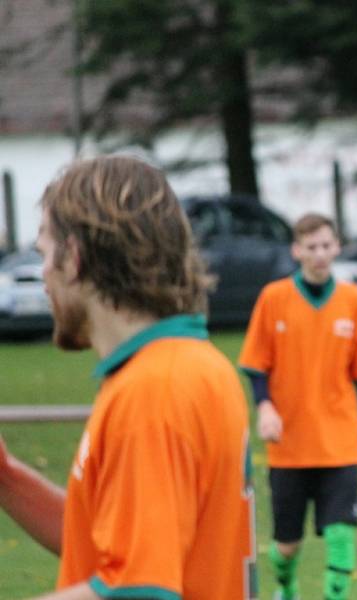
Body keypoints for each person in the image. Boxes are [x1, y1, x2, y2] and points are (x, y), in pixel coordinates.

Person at [0, 156, 256, 599]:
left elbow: (136, 590)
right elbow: (116, 547)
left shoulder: (154, 390)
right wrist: (5, 476)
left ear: (75, 258)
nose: (42, 277)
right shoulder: (185, 365)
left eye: (44, 255)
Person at [238, 213, 357, 600]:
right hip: (288, 446)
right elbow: (256, 366)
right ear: (297, 251)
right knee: (286, 545)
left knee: (341, 534)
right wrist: (265, 408)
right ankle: (286, 587)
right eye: (311, 247)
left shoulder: (354, 301)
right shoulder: (274, 299)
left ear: (336, 247)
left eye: (326, 245)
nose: (320, 254)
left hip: (338, 443)